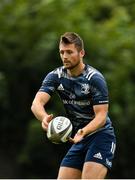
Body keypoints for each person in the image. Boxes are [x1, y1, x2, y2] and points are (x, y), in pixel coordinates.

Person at [31, 32, 116, 179]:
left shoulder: (94, 78)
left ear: (81, 53)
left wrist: (83, 132)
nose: (65, 56)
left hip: (100, 136)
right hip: (78, 138)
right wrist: (44, 118)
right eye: (62, 52)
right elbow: (36, 103)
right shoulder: (56, 76)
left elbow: (101, 116)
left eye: (69, 52)